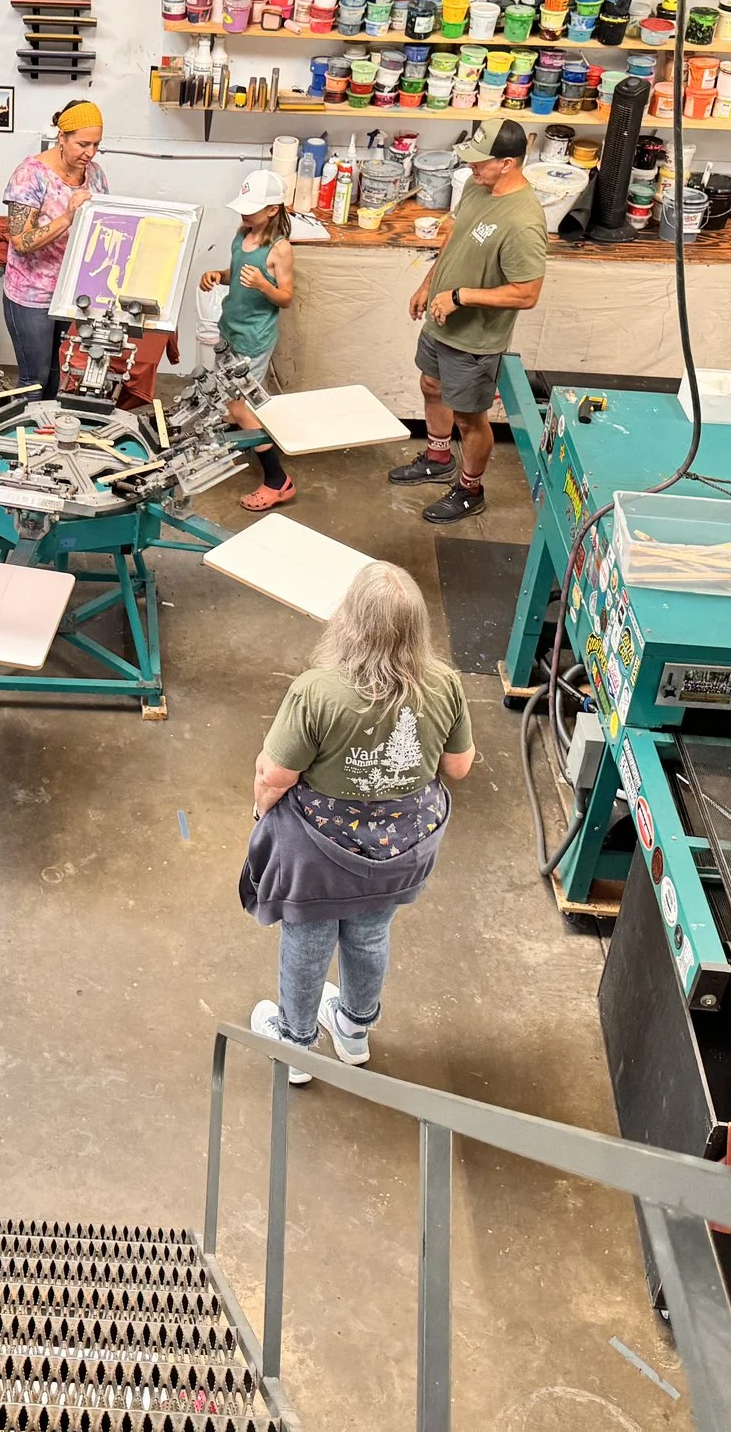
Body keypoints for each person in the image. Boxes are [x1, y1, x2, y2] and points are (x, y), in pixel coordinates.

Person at [239, 562, 473, 1080]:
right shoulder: (445, 684)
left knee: (308, 937)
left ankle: (297, 1044)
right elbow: (457, 766)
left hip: (321, 854)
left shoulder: (317, 691)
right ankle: (352, 1029)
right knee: (369, 934)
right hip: (401, 850)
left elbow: (274, 773)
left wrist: (259, 814)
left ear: (349, 622)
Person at [388, 119, 548, 524]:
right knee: (430, 385)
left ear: (508, 163)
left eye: (481, 161)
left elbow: (526, 293)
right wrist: (429, 283)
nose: (471, 167)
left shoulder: (524, 222)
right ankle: (439, 456)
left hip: (475, 338)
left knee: (469, 417)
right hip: (442, 320)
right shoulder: (479, 187)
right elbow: (455, 237)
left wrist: (461, 296)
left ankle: (469, 488)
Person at [197, 168, 296, 510]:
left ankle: (277, 480)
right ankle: (244, 440)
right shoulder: (242, 235)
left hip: (254, 338)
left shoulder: (279, 249)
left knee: (241, 407)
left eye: (252, 207)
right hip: (231, 329)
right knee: (228, 400)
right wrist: (218, 275)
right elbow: (236, 273)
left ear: (272, 210)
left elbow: (286, 297)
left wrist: (264, 286)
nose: (244, 212)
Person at [1, 99, 110, 396]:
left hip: (72, 294)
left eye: (96, 144)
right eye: (83, 144)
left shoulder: (95, 174)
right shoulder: (30, 175)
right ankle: (23, 440)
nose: (90, 152)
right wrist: (67, 217)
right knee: (33, 380)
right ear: (62, 136)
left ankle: (46, 441)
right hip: (32, 294)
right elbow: (21, 241)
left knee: (58, 376)